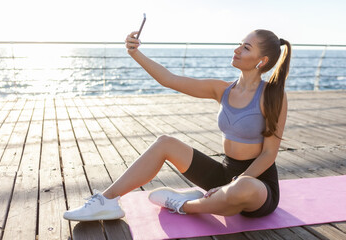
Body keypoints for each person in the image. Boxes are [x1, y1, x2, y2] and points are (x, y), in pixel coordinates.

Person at [63, 29, 291, 221]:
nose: (237, 50)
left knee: (241, 189)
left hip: (257, 184)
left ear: (262, 62)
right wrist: (134, 53)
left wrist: (235, 182)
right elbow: (169, 79)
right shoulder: (222, 89)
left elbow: (269, 154)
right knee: (165, 143)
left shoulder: (273, 96)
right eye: (240, 44)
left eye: (246, 48)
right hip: (224, 172)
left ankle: (185, 205)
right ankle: (107, 201)